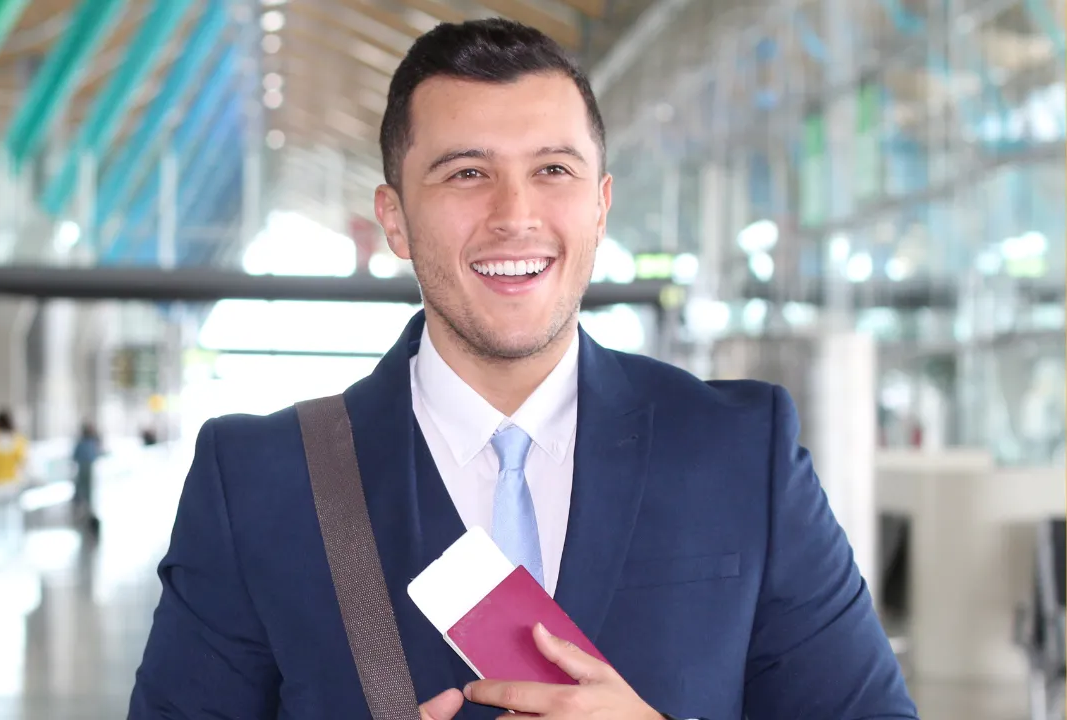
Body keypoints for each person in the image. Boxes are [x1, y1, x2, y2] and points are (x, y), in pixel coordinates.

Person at [129, 19, 917, 720]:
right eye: (466, 173)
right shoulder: (265, 481)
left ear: (601, 207)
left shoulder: (739, 453)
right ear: (395, 219)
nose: (515, 214)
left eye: (553, 170)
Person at [71, 421, 103, 527]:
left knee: (88, 492)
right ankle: (81, 510)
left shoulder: (92, 443)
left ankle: (87, 512)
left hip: (89, 470)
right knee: (82, 491)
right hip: (83, 470)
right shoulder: (83, 443)